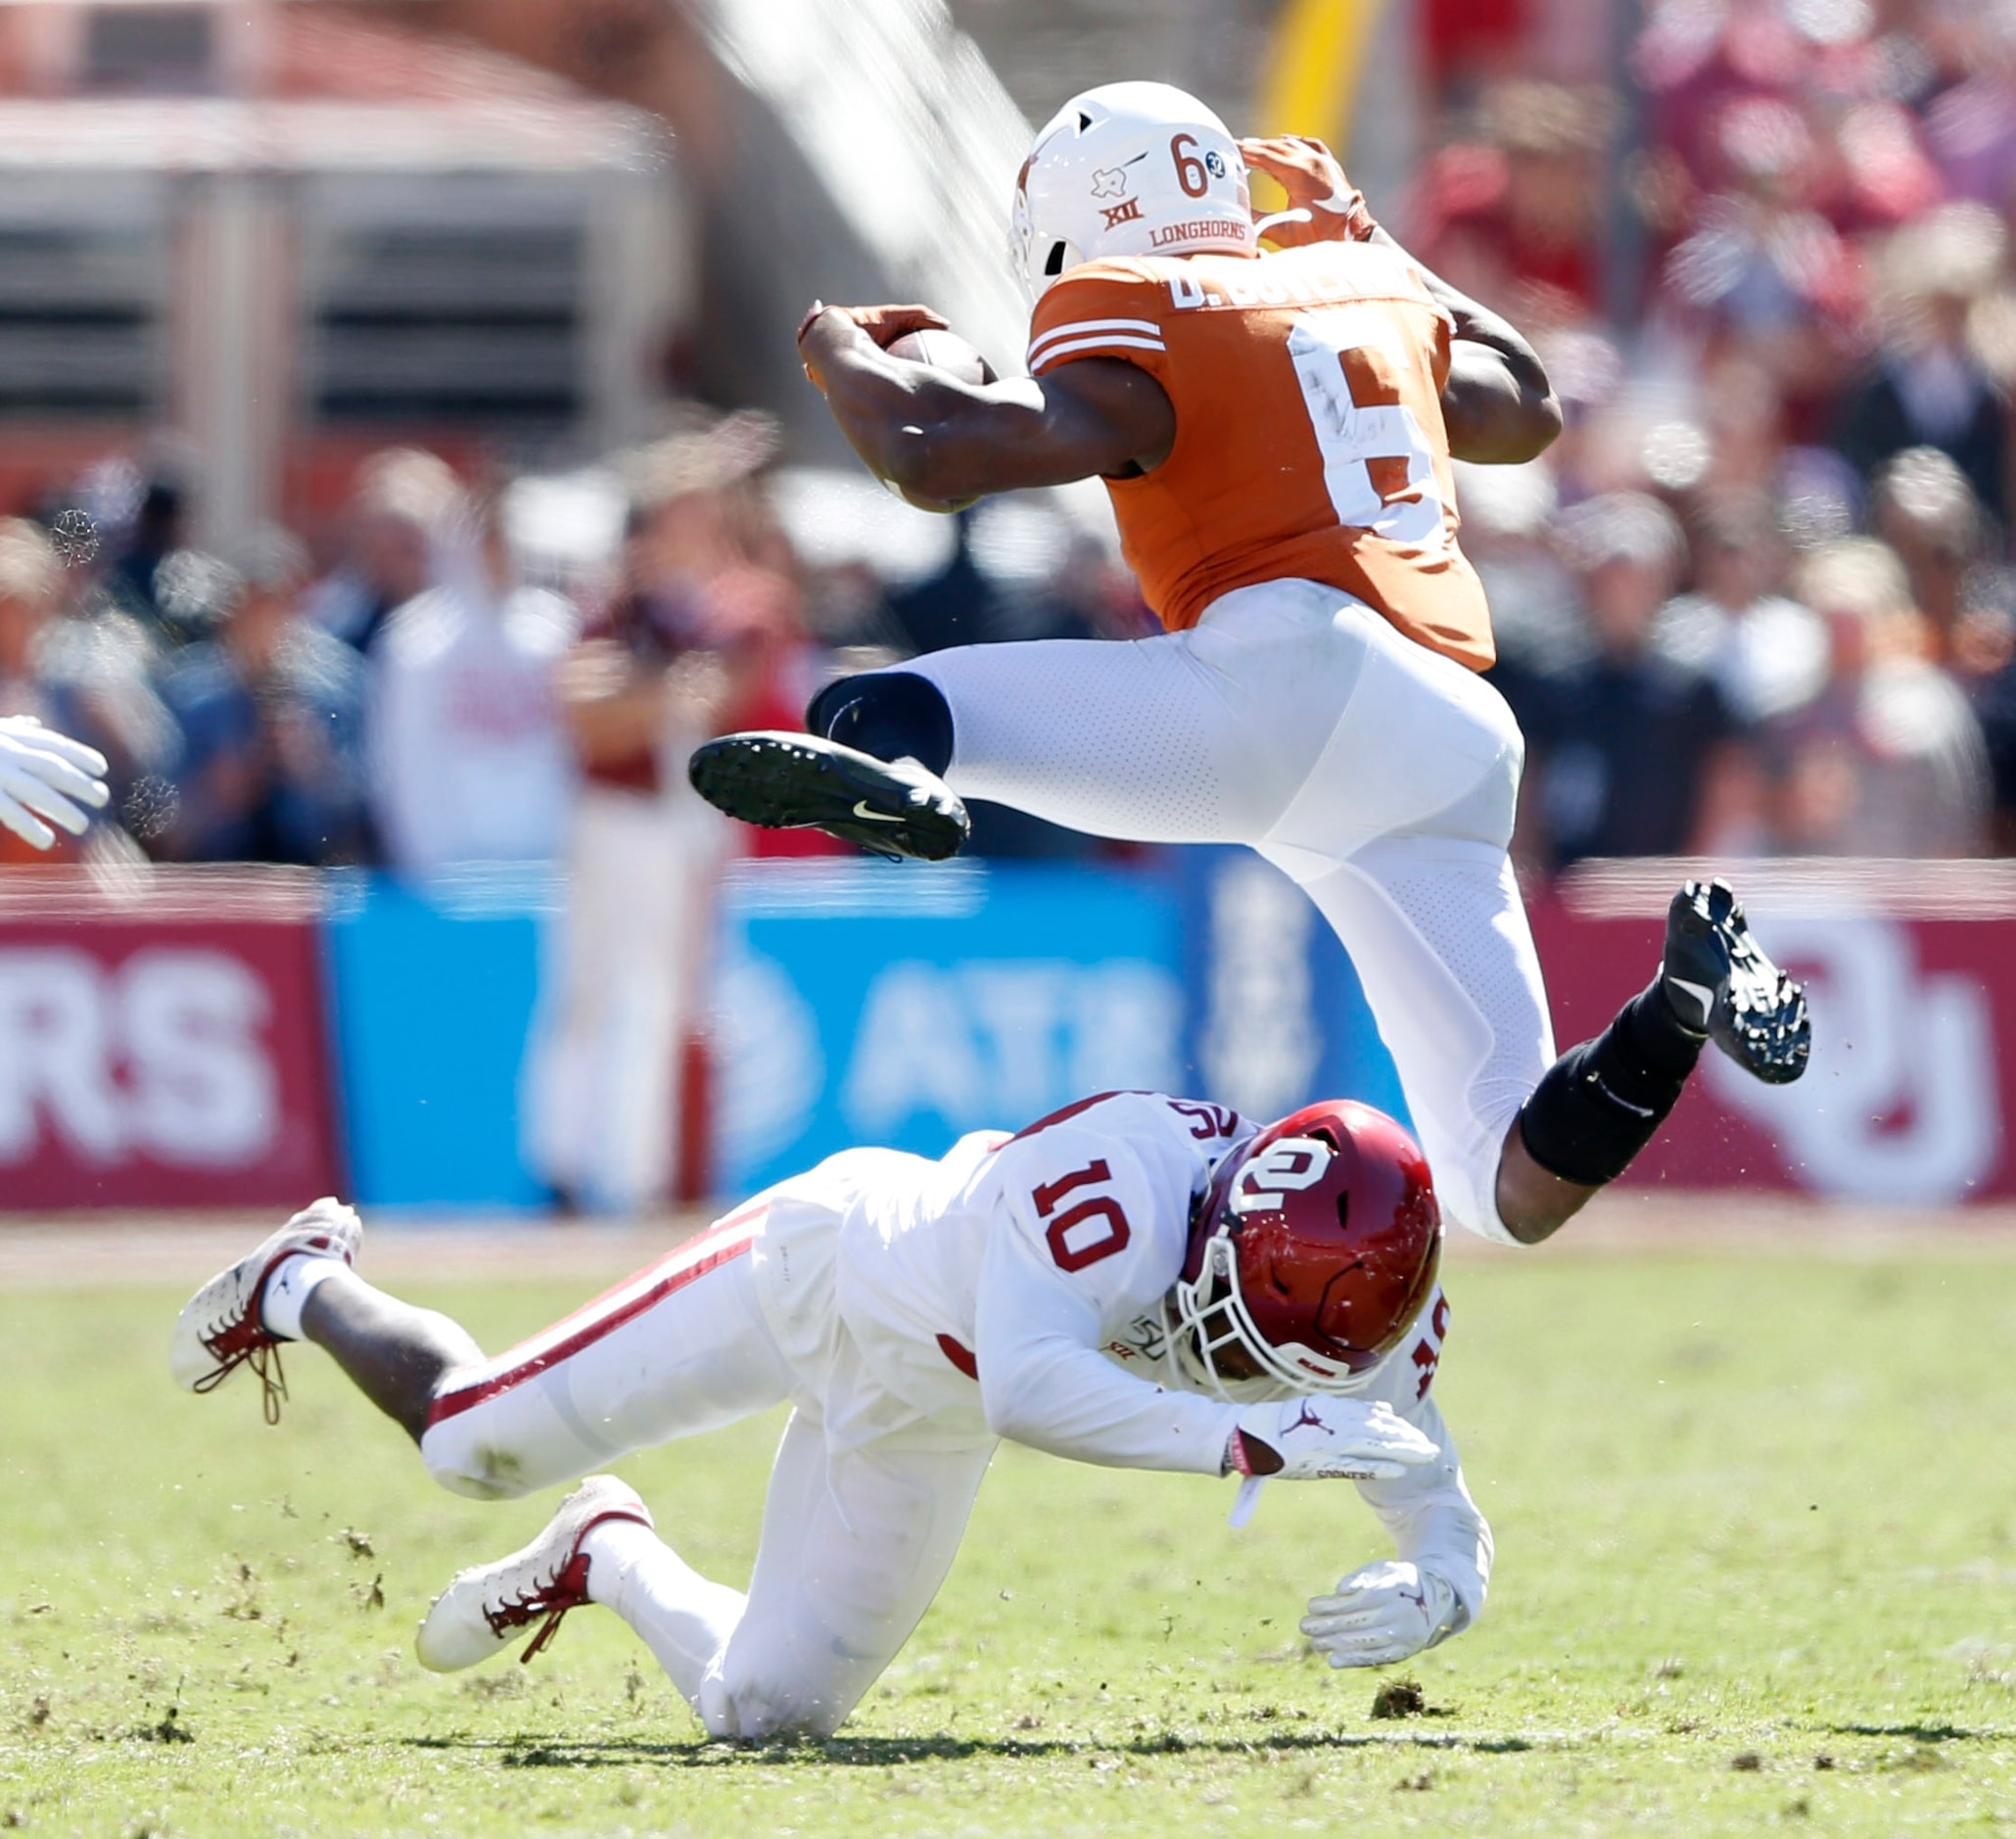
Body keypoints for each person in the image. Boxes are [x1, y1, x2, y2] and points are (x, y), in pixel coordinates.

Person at [689, 83, 1810, 1251]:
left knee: (874, 701)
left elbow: (935, 454)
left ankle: (910, 789)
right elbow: (1526, 407)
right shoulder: (1363, 286)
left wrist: (830, 345)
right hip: (1449, 736)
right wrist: (1379, 246)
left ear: (1086, 207)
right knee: (1507, 1185)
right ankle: (1678, 1001)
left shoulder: (1149, 308)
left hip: (1282, 679)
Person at [171, 1090, 1485, 1738]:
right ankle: (302, 1280)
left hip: (923, 1412)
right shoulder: (1125, 1174)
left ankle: (603, 1548)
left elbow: (1434, 1493)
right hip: (821, 1273)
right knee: (468, 1441)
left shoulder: (1359, 1310)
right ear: (1230, 1206)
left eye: (1286, 1357)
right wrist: (1248, 1436)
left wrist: (1441, 1582)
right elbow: (1030, 1383)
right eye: (1240, 1305)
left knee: (766, 1711)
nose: (1242, 1357)